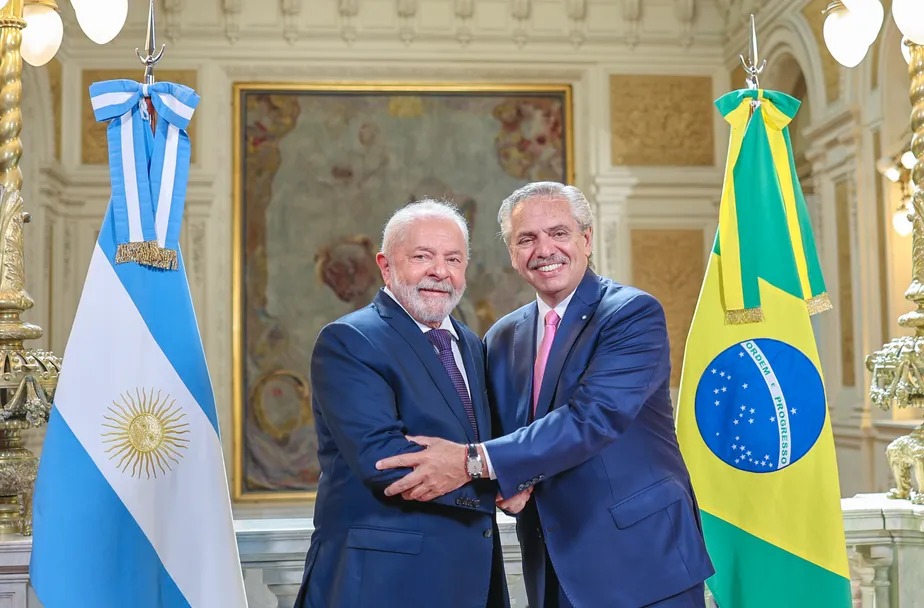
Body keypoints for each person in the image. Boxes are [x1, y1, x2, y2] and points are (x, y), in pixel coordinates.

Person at [375, 182, 714, 607]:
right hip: (550, 564)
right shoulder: (501, 338)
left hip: (643, 562)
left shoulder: (631, 313)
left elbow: (594, 418)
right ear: (512, 253)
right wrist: (504, 483)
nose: (544, 249)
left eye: (558, 233)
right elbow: (503, 432)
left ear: (586, 240)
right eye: (526, 239)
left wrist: (472, 462)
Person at [294, 200, 509, 608]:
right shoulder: (350, 341)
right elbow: (385, 461)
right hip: (382, 583)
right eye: (422, 256)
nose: (439, 271)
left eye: (453, 259)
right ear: (386, 265)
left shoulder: (471, 344)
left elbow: (487, 439)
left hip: (471, 580)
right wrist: (501, 479)